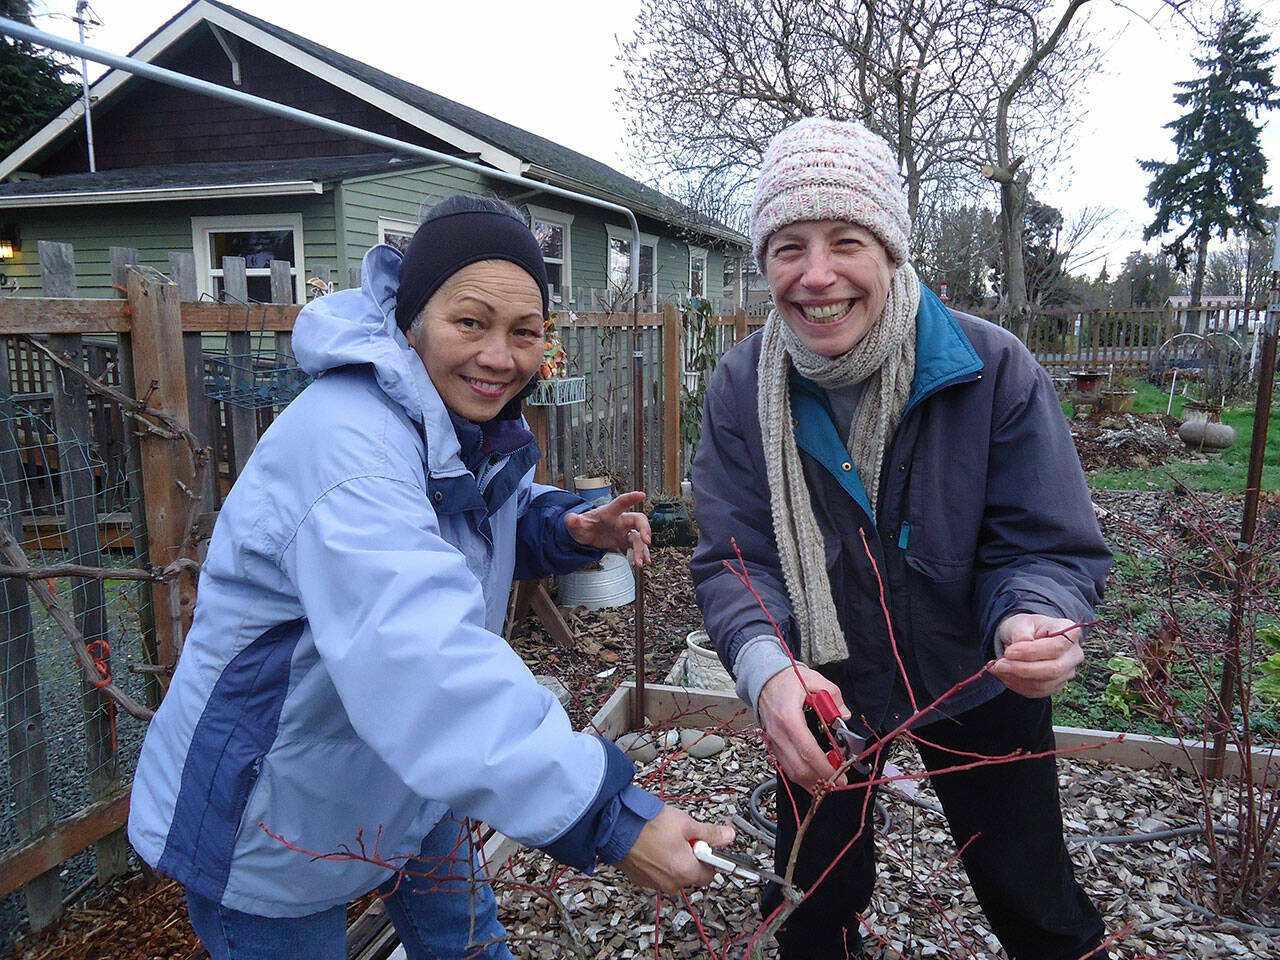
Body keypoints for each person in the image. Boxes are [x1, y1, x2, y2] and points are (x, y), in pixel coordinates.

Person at [128, 194, 732, 960]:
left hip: (406, 777)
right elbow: (421, 661)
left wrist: (562, 527)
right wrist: (611, 817)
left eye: (525, 332)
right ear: (411, 320)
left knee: (471, 945)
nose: (500, 356)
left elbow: (471, 515)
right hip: (274, 807)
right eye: (470, 322)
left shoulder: (452, 422)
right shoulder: (348, 448)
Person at [690, 118, 1113, 960]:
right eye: (788, 247)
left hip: (976, 670)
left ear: (890, 252)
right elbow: (739, 559)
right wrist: (771, 672)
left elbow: (1043, 542)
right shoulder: (743, 387)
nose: (816, 275)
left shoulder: (992, 370)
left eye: (846, 242)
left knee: (1030, 886)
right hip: (824, 679)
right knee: (814, 892)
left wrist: (1031, 614)